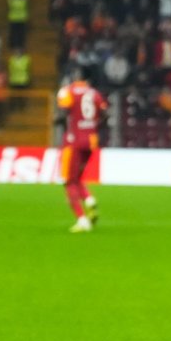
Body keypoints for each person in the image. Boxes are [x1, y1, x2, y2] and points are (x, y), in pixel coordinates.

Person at [56, 70, 108, 233]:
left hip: (73, 141)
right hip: (91, 140)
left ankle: (82, 219)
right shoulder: (94, 93)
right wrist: (93, 127)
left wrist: (60, 124)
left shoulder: (67, 91)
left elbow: (64, 113)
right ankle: (90, 200)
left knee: (68, 181)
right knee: (77, 177)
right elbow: (105, 114)